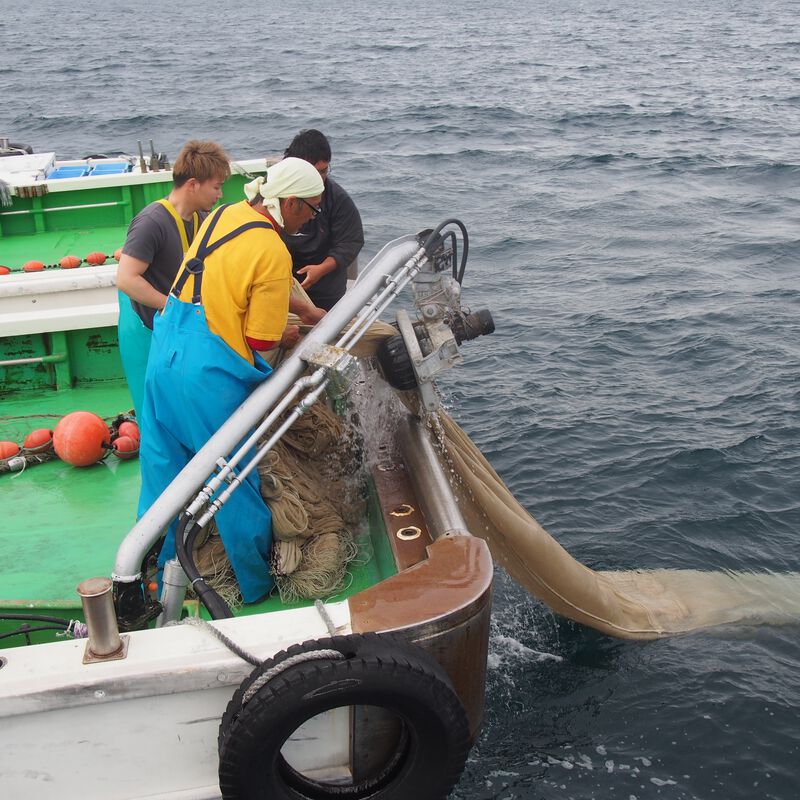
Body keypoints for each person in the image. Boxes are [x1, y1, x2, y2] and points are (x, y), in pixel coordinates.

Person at [137, 157, 326, 604]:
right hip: (206, 378)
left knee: (162, 476)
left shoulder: (223, 214)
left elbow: (218, 283)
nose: (312, 219)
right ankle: (256, 585)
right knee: (232, 481)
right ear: (292, 203)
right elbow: (260, 339)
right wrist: (292, 331)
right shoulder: (274, 250)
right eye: (312, 210)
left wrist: (295, 310)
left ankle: (149, 571)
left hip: (165, 353)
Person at [116, 140, 231, 419]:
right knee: (152, 413)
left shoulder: (200, 218)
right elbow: (126, 279)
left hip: (173, 325)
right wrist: (172, 306)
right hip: (144, 326)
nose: (220, 194)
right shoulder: (152, 222)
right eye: (216, 187)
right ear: (193, 184)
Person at [280, 129, 364, 311]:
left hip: (325, 290)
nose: (318, 179)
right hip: (280, 285)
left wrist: (322, 269)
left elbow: (350, 241)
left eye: (323, 171)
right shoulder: (272, 194)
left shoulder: (338, 199)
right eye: (312, 172)